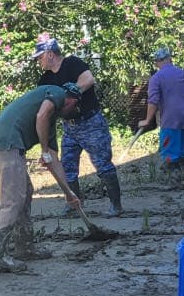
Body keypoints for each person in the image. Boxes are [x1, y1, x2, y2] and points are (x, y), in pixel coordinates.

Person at [0, 84, 85, 272]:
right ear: (72, 100)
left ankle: (24, 247)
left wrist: (69, 193)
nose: (73, 112)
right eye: (74, 107)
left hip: (11, 142)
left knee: (26, 191)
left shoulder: (50, 124)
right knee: (13, 197)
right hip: (7, 140)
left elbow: (54, 161)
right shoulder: (57, 93)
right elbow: (41, 115)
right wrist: (44, 150)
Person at [33, 35, 124, 217]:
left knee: (103, 164)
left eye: (40, 57)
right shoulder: (45, 79)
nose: (39, 61)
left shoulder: (72, 63)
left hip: (91, 123)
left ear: (50, 54)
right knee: (67, 166)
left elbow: (88, 79)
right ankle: (74, 203)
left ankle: (116, 205)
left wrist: (73, 90)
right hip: (69, 127)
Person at [136, 46, 184, 187]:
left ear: (156, 62)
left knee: (170, 153)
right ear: (170, 59)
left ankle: (174, 183)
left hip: (171, 120)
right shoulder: (182, 73)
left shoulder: (157, 78)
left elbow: (153, 101)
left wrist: (147, 120)